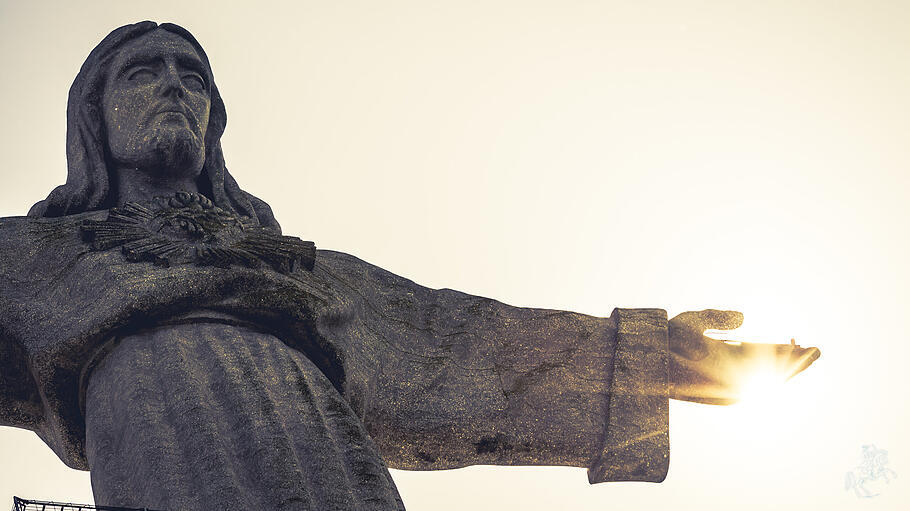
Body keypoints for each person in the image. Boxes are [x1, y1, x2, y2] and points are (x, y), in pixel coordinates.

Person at [0, 21, 820, 511]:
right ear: (94, 119)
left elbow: (465, 345)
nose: (174, 88)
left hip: (333, 463)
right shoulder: (34, 256)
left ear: (215, 122)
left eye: (194, 78)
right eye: (143, 73)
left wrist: (664, 356)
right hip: (174, 449)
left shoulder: (299, 270)